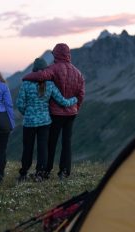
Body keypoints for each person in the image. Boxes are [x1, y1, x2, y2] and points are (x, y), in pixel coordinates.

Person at [23, 43, 85, 179]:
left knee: (51, 142)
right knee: (67, 142)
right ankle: (64, 172)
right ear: (68, 54)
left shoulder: (53, 68)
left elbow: (40, 76)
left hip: (56, 113)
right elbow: (81, 94)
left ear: (56, 54)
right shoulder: (78, 73)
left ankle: (46, 171)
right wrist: (76, 108)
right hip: (71, 113)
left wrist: (25, 77)